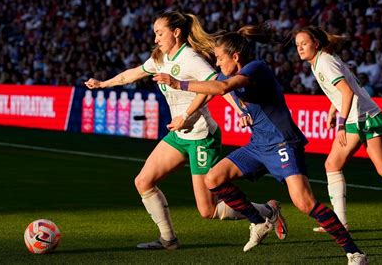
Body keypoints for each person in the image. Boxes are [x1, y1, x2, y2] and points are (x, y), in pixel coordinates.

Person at [153, 25, 368, 265]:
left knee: (304, 202)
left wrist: (178, 83)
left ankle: (355, 253)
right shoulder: (227, 74)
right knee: (213, 178)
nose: (217, 63)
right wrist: (186, 115)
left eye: (220, 58)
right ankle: (260, 219)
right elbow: (211, 91)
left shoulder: (257, 68)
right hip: (258, 145)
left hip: (282, 143)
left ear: (235, 57)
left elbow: (222, 88)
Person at [84, 11, 287, 250]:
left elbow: (217, 85)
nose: (156, 39)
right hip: (179, 135)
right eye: (155, 34)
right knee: (143, 181)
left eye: (160, 33)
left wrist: (240, 110)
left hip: (201, 136)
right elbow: (133, 73)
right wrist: (103, 84)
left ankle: (268, 210)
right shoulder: (160, 58)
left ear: (176, 32)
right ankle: (168, 239)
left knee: (208, 210)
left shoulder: (190, 58)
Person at [294, 26, 382, 237]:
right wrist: (331, 110)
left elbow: (346, 91)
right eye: (297, 45)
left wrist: (340, 123)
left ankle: (341, 223)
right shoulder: (320, 61)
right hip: (364, 115)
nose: (299, 48)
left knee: (337, 165)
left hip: (360, 118)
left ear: (316, 44)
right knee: (378, 168)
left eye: (304, 43)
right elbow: (342, 89)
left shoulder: (325, 62)